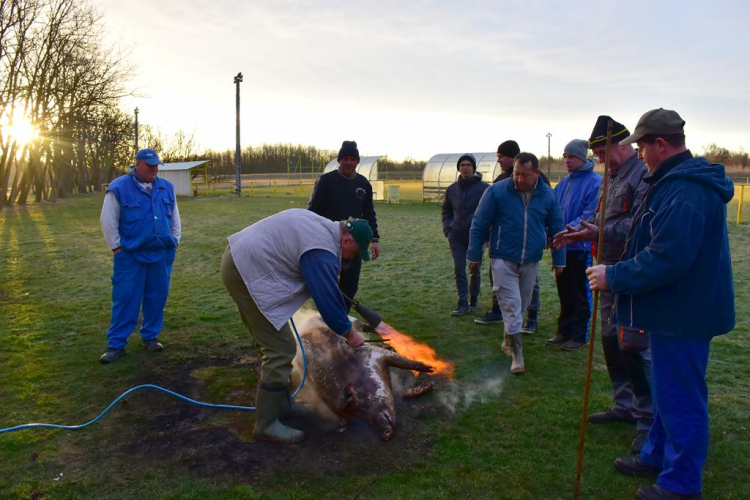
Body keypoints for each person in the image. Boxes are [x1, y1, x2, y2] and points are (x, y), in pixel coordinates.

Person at [586, 109, 735, 500]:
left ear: (661, 145)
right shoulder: (669, 182)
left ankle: (681, 485)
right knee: (667, 392)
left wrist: (613, 276)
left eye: (641, 146)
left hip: (684, 313)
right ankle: (655, 455)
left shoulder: (686, 190)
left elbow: (669, 258)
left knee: (681, 397)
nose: (639, 153)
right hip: (674, 309)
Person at [222, 209, 372, 444]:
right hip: (245, 270)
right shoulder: (322, 250)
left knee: (277, 343)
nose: (352, 259)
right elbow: (328, 302)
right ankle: (266, 424)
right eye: (354, 253)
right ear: (346, 240)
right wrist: (350, 334)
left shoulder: (324, 229)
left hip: (242, 260)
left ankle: (281, 404)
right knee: (280, 349)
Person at [554, 116, 653, 454]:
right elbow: (602, 217)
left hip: (631, 272)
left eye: (600, 152)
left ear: (622, 145)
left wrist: (598, 231)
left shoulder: (643, 175)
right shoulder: (609, 177)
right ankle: (623, 403)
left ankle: (647, 420)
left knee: (634, 346)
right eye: (595, 154)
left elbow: (637, 225)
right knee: (611, 341)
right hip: (606, 270)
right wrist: (580, 229)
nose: (598, 160)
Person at [468, 153, 565, 375]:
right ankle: (518, 355)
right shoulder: (497, 191)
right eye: (516, 174)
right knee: (511, 305)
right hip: (502, 256)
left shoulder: (547, 195)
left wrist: (560, 259)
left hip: (531, 259)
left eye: (525, 175)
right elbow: (479, 223)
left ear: (537, 174)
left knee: (521, 305)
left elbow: (557, 227)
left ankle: (508, 341)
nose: (519, 179)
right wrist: (474, 255)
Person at [99, 148, 181, 364]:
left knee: (157, 297)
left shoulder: (166, 188)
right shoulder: (118, 188)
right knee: (126, 299)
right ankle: (116, 344)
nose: (154, 169)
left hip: (161, 254)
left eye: (156, 165)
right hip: (131, 256)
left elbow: (175, 218)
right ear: (137, 164)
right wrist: (116, 248)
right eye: (150, 165)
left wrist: (175, 241)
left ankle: (150, 337)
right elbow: (108, 220)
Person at [475, 141, 550, 332]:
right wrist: (487, 233)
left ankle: (531, 317)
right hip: (502, 246)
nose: (498, 160)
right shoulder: (500, 182)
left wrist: (544, 236)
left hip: (529, 247)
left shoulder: (542, 184)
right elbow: (487, 215)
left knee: (530, 285)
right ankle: (498, 311)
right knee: (498, 281)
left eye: (501, 156)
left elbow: (547, 213)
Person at [308, 141, 380, 310]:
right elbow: (312, 212)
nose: (349, 162)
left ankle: (342, 318)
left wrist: (375, 238)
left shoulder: (363, 184)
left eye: (352, 159)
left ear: (357, 162)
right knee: (328, 285)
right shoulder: (326, 181)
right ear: (339, 161)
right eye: (345, 158)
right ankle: (327, 321)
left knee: (350, 286)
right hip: (329, 241)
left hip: (353, 244)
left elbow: (369, 213)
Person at [547, 139, 601, 351]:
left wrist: (567, 232)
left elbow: (589, 214)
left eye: (571, 156)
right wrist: (551, 231)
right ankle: (564, 331)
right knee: (564, 292)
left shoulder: (595, 183)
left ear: (582, 158)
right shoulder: (563, 183)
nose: (567, 160)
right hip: (561, 248)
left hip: (580, 248)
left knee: (580, 293)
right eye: (565, 156)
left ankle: (579, 335)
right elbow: (553, 210)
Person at [441, 154, 489, 316]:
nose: (465, 167)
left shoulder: (484, 189)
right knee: (459, 269)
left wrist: (486, 235)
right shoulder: (452, 189)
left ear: (474, 167)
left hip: (475, 237)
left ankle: (473, 299)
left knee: (474, 268)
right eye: (462, 165)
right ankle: (462, 302)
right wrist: (448, 229)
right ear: (459, 168)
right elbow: (446, 211)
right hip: (456, 236)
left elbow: (489, 213)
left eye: (468, 165)